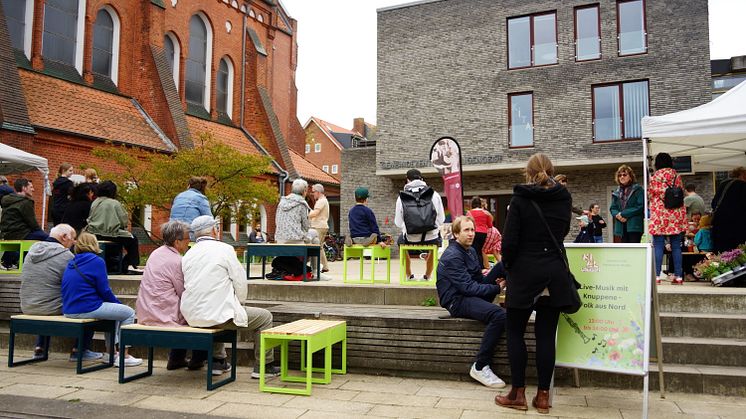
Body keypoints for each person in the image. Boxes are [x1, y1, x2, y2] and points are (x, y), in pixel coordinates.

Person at [495, 153, 573, 415]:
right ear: (551, 170)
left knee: (515, 332)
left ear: (527, 173)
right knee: (546, 335)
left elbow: (509, 241)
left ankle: (518, 393)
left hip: (525, 273)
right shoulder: (564, 197)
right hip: (553, 272)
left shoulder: (520, 198)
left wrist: (507, 268)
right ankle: (542, 397)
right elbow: (561, 234)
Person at [180, 215, 279, 378]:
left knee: (216, 311)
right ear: (213, 230)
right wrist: (239, 303)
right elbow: (240, 282)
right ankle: (264, 366)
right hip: (216, 314)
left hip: (192, 314)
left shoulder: (188, 255)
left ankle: (218, 361)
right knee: (264, 317)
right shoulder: (224, 249)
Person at [436, 215, 506, 388]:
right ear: (456, 233)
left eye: (473, 230)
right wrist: (497, 288)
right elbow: (468, 288)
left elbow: (477, 282)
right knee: (499, 315)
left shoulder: (471, 250)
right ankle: (480, 366)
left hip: (469, 294)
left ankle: (522, 303)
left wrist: (492, 282)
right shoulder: (452, 255)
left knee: (503, 265)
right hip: (457, 301)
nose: (471, 234)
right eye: (466, 230)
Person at [136, 220, 215, 371]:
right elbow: (183, 291)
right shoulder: (177, 261)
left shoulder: (156, 253)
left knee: (186, 311)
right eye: (187, 239)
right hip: (162, 313)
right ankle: (198, 359)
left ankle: (176, 358)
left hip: (146, 310)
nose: (189, 242)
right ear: (177, 242)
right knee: (199, 314)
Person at [20, 224, 101, 361]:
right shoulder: (65, 256)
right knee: (87, 304)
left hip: (27, 305)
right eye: (73, 238)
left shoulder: (31, 252)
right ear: (64, 237)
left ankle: (40, 348)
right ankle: (79, 350)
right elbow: (78, 283)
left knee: (47, 297)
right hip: (49, 307)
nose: (75, 242)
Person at [61, 233, 142, 367]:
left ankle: (111, 354)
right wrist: (117, 304)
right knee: (127, 313)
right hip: (86, 307)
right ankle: (124, 355)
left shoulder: (72, 261)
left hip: (69, 309)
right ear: (94, 244)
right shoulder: (96, 261)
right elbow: (104, 290)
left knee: (113, 315)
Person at [394, 168, 445, 280]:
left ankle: (409, 275)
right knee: (435, 243)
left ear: (407, 180)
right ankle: (427, 276)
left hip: (411, 238)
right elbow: (441, 219)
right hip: (431, 237)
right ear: (422, 179)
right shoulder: (434, 194)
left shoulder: (401, 197)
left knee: (401, 242)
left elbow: (398, 222)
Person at [85, 181, 142, 274]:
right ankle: (129, 265)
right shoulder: (115, 203)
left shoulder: (95, 202)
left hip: (94, 233)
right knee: (133, 240)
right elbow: (123, 221)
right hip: (112, 234)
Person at [649, 153, 687, 285]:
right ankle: (679, 276)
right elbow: (681, 192)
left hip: (660, 214)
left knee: (658, 246)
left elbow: (650, 194)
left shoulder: (654, 177)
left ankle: (657, 276)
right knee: (676, 246)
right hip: (676, 214)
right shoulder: (677, 176)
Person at [0, 178, 49, 269]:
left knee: (33, 235)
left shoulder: (7, 200)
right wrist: (43, 233)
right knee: (48, 238)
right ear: (24, 188)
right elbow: (33, 224)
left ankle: (8, 261)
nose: (33, 189)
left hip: (7, 233)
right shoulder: (25, 202)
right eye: (31, 187)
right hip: (20, 233)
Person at [711, 167, 746, 253]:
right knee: (736, 253)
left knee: (722, 253)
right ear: (742, 175)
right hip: (736, 226)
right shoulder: (742, 185)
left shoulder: (723, 184)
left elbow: (713, 203)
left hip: (719, 224)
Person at [610, 165, 644, 243]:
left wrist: (623, 214)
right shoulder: (616, 192)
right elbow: (612, 208)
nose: (622, 177)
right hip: (621, 226)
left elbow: (640, 206)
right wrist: (618, 215)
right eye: (619, 175)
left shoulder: (638, 190)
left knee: (634, 251)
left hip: (634, 226)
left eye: (624, 175)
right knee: (624, 251)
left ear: (630, 176)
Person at [467, 196, 494, 269]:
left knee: (473, 250)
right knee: (480, 251)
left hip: (474, 232)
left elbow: (467, 223)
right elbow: (490, 225)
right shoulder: (486, 213)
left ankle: (475, 267)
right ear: (480, 203)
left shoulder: (469, 212)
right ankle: (481, 267)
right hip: (483, 234)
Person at [308, 184, 330, 273]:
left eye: (313, 192)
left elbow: (315, 213)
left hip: (319, 226)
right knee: (320, 247)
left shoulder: (321, 201)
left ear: (318, 192)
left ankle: (319, 266)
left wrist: (304, 215)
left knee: (316, 247)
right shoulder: (324, 200)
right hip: (321, 225)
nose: (313, 194)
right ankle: (324, 266)